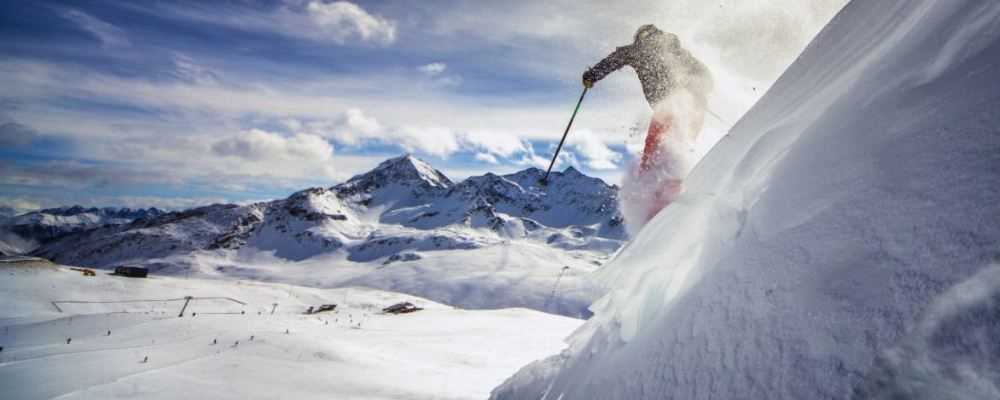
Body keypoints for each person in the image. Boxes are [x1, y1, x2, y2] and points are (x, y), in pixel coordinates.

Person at [583, 24, 713, 223]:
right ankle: (671, 186)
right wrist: (593, 75)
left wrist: (592, 76)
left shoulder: (652, 50)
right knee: (677, 145)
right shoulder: (673, 49)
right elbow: (706, 77)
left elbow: (705, 78)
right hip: (690, 107)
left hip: (678, 105)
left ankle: (660, 188)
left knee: (658, 146)